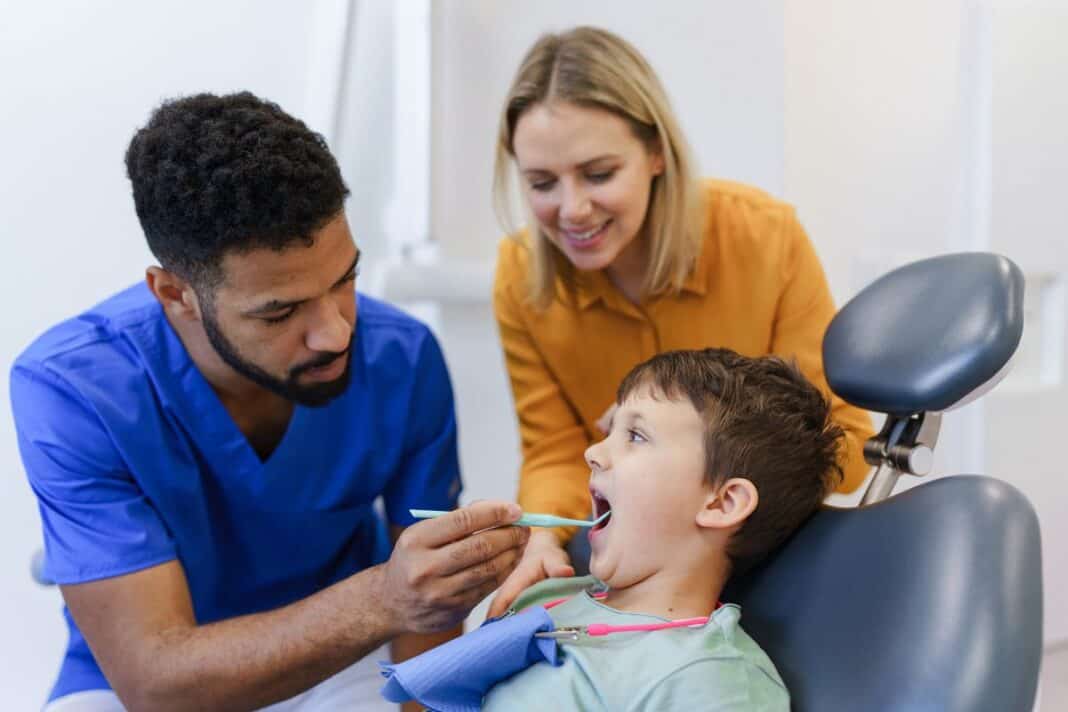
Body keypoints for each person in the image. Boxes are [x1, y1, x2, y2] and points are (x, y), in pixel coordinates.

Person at [11, 92, 528, 712]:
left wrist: (410, 614)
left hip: (347, 660)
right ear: (175, 294)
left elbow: (426, 634)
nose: (337, 333)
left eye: (345, 280)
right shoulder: (73, 389)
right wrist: (384, 598)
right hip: (142, 681)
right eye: (279, 311)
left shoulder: (402, 359)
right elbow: (153, 678)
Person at [488, 26, 874, 617]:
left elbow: (843, 444)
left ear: (655, 152)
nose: (572, 209)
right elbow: (554, 449)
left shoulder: (765, 238)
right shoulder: (519, 278)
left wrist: (707, 459)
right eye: (542, 183)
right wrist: (540, 537)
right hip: (625, 570)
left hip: (761, 556)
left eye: (598, 174)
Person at [384, 348, 842, 710]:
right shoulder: (543, 599)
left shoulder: (712, 679)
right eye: (611, 430)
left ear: (723, 502)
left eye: (636, 436)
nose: (593, 453)